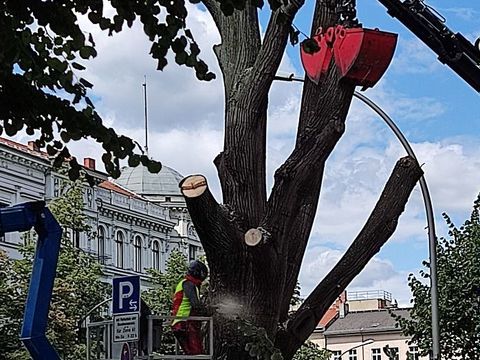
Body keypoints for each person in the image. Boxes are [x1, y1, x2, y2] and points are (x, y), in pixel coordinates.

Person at [171, 260, 208, 355]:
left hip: (180, 323)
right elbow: (196, 305)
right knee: (197, 353)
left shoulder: (185, 283)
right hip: (186, 322)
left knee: (192, 354)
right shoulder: (189, 284)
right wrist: (210, 311)